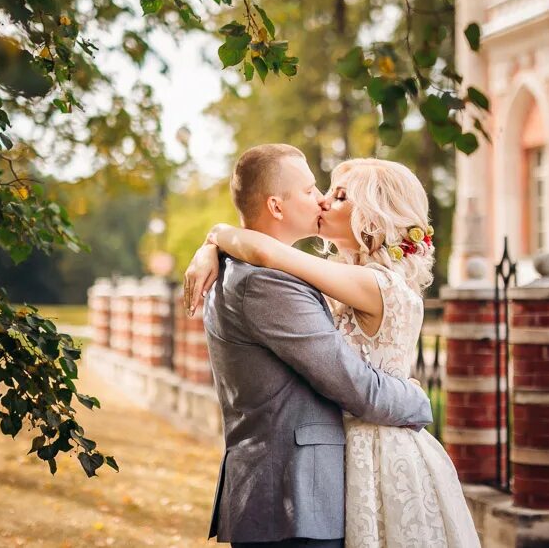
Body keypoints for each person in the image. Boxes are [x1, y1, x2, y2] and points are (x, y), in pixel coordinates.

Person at [185, 152, 481, 548]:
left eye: (338, 196)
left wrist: (216, 237)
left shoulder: (376, 285)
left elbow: (269, 252)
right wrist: (214, 241)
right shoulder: (317, 281)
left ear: (370, 219)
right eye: (314, 190)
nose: (323, 199)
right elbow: (266, 255)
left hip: (380, 451)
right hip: (334, 466)